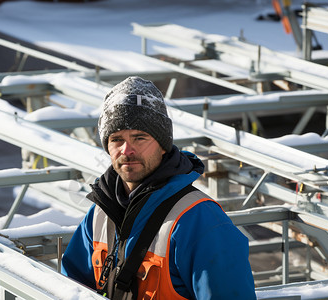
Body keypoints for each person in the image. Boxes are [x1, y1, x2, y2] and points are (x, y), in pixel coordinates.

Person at [61, 76, 256, 299]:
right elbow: (72, 288)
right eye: (116, 139)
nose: (127, 150)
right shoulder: (99, 214)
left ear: (163, 145)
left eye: (139, 137)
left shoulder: (200, 221)